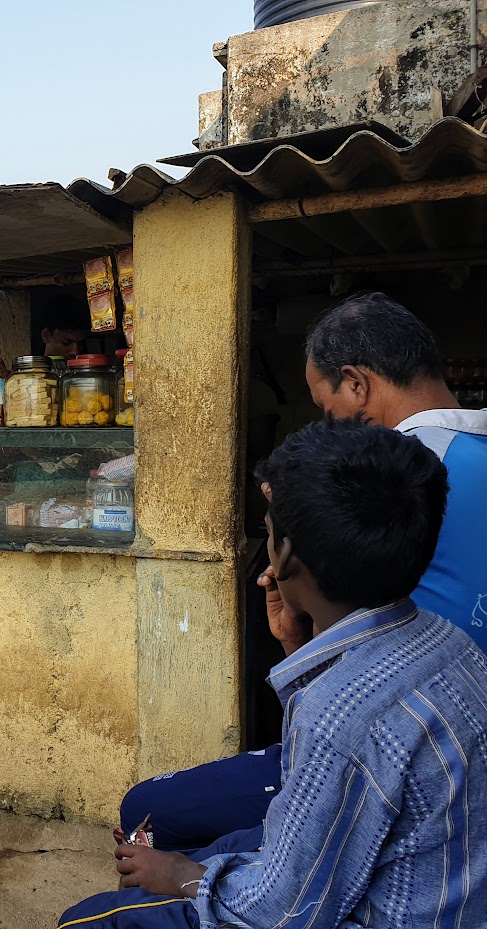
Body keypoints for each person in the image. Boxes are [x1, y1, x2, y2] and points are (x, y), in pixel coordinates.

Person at [61, 419, 487, 927]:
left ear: (283, 557)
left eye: (268, 531)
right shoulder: (447, 638)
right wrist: (295, 643)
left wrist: (184, 877)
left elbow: (282, 911)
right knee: (205, 836)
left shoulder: (338, 718)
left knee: (83, 919)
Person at [117, 292, 487, 853]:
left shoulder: (388, 480)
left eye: (324, 405)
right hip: (452, 740)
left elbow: (339, 708)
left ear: (356, 383)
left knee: (147, 824)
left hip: (387, 747)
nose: (327, 424)